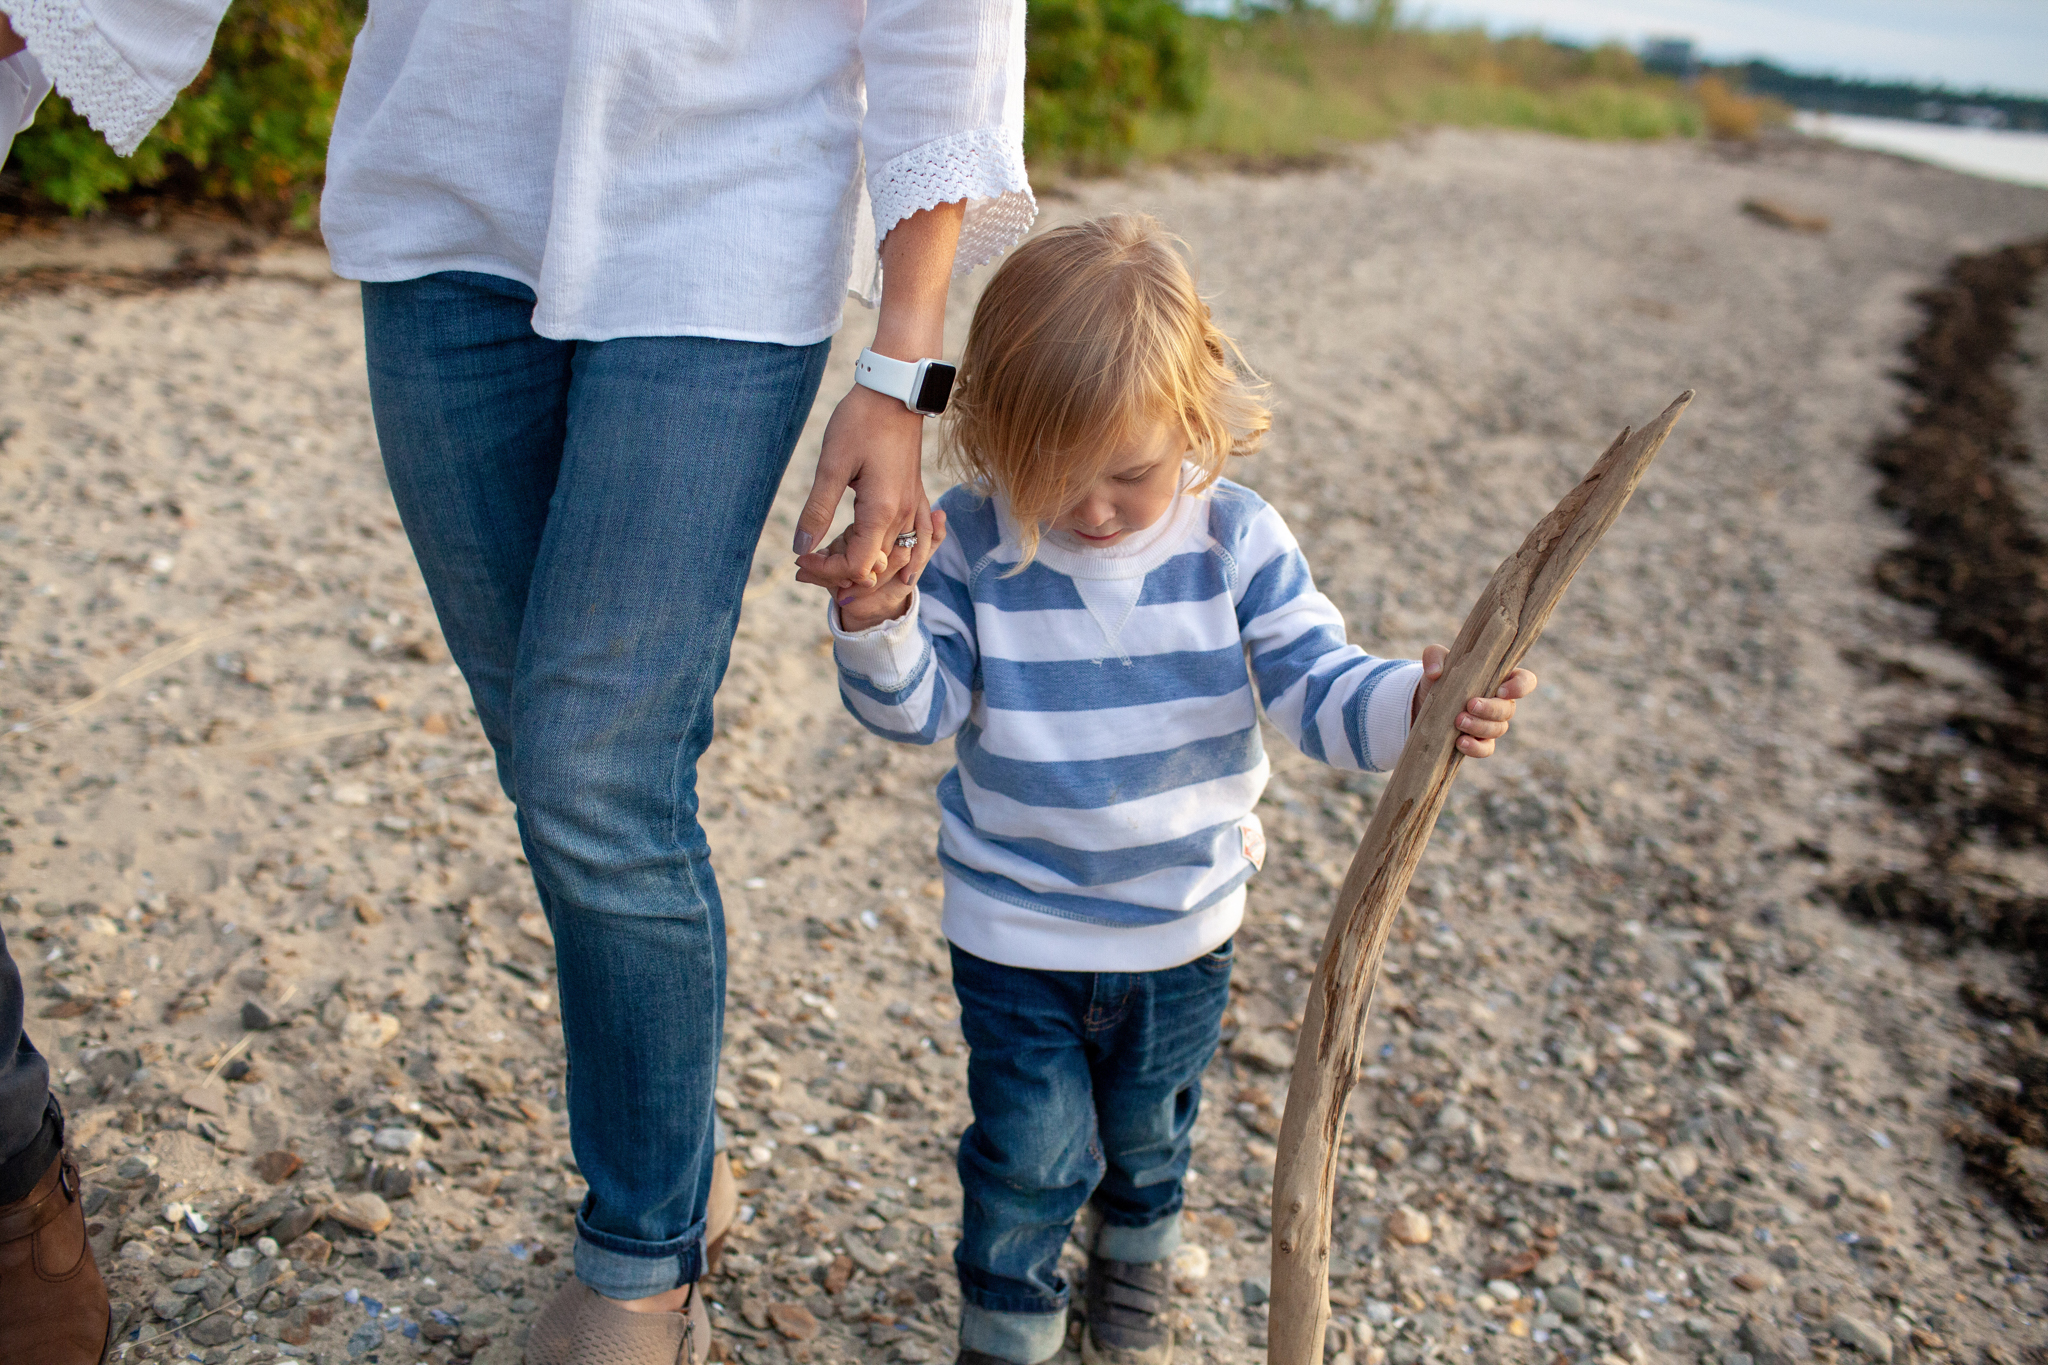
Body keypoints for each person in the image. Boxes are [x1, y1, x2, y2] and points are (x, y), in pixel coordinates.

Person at [0, 4, 1033, 1363]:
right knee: (555, 765)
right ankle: (680, 1144)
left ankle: (643, 1246)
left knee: (593, 770)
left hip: (722, 213)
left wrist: (904, 369)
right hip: (441, 203)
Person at [802, 214, 1538, 1365]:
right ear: (994, 437)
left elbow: (1315, 690)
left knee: (1149, 1136)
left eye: (1132, 474)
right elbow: (919, 713)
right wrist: (877, 622)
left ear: (1193, 419)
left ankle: (1134, 1258)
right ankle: (1007, 1317)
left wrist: (1420, 709)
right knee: (1027, 1149)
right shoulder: (970, 549)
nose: (1092, 510)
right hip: (1016, 924)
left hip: (1182, 924)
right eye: (1055, 476)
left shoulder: (1234, 543)